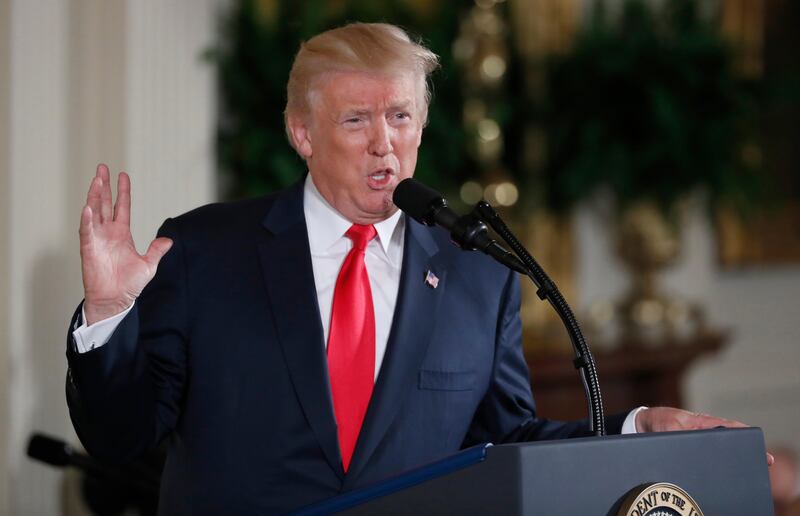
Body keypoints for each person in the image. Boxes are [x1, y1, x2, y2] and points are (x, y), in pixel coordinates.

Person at [66, 23, 760, 515]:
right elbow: (120, 437)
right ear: (302, 133)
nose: (384, 144)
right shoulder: (203, 253)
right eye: (357, 120)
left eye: (400, 115)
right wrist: (107, 315)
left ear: (422, 126)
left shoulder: (477, 274)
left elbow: (507, 442)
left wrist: (640, 429)